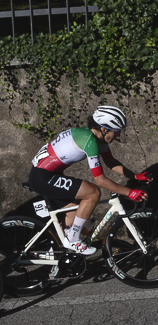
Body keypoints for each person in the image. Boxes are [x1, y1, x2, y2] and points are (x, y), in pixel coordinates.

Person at [28, 105, 150, 257]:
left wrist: (135, 176)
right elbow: (100, 180)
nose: (118, 135)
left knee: (77, 217)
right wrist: (129, 192)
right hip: (43, 177)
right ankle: (73, 239)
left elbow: (110, 161)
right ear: (104, 129)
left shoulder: (96, 137)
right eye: (117, 131)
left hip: (47, 175)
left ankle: (57, 255)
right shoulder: (89, 141)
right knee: (93, 192)